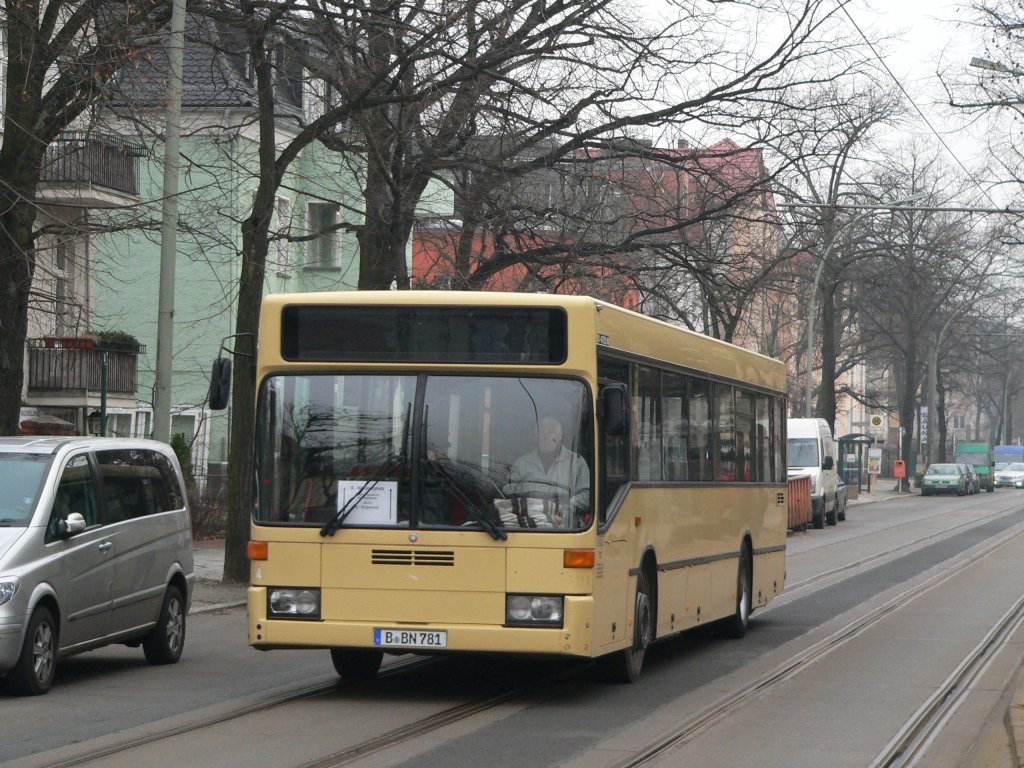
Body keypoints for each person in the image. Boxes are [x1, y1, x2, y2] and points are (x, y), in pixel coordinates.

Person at [504, 416, 591, 526]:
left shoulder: (576, 462)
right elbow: (508, 492)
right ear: (536, 437)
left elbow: (587, 495)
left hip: (566, 529)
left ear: (560, 436)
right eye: (541, 432)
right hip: (527, 528)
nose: (545, 437)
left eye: (550, 432)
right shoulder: (522, 463)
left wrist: (568, 507)